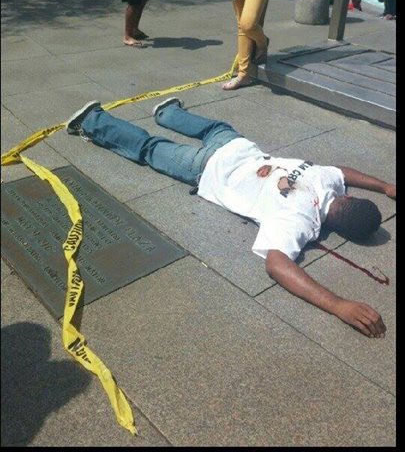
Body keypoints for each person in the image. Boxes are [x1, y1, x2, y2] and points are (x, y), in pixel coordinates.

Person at [66, 97, 395, 338]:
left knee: (214, 128)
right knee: (151, 149)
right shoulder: (299, 221)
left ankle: (167, 113)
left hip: (236, 147)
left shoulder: (325, 178)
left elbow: (345, 173)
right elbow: (278, 264)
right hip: (205, 170)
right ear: (338, 230)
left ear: (348, 197)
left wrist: (383, 185)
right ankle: (93, 120)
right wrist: (338, 304)